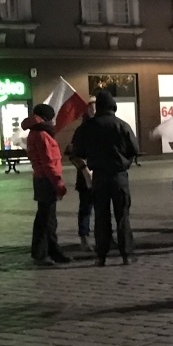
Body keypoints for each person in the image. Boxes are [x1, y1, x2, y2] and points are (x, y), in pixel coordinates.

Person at [72, 90, 140, 265]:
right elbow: (134, 149)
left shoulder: (87, 127)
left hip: (99, 177)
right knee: (123, 216)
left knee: (101, 217)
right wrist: (125, 161)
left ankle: (101, 256)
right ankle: (127, 254)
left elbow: (78, 151)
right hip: (119, 176)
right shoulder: (121, 125)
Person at [23, 103, 69, 264]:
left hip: (41, 179)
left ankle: (52, 251)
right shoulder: (42, 134)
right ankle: (41, 254)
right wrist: (58, 183)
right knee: (46, 219)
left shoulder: (35, 133)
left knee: (47, 218)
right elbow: (48, 162)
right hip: (46, 180)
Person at [68, 100, 100, 249]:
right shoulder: (82, 130)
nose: (93, 110)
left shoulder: (104, 126)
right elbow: (73, 154)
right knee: (86, 207)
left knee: (103, 208)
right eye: (90, 108)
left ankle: (105, 236)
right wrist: (85, 169)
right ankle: (84, 237)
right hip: (86, 176)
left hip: (102, 174)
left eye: (95, 107)